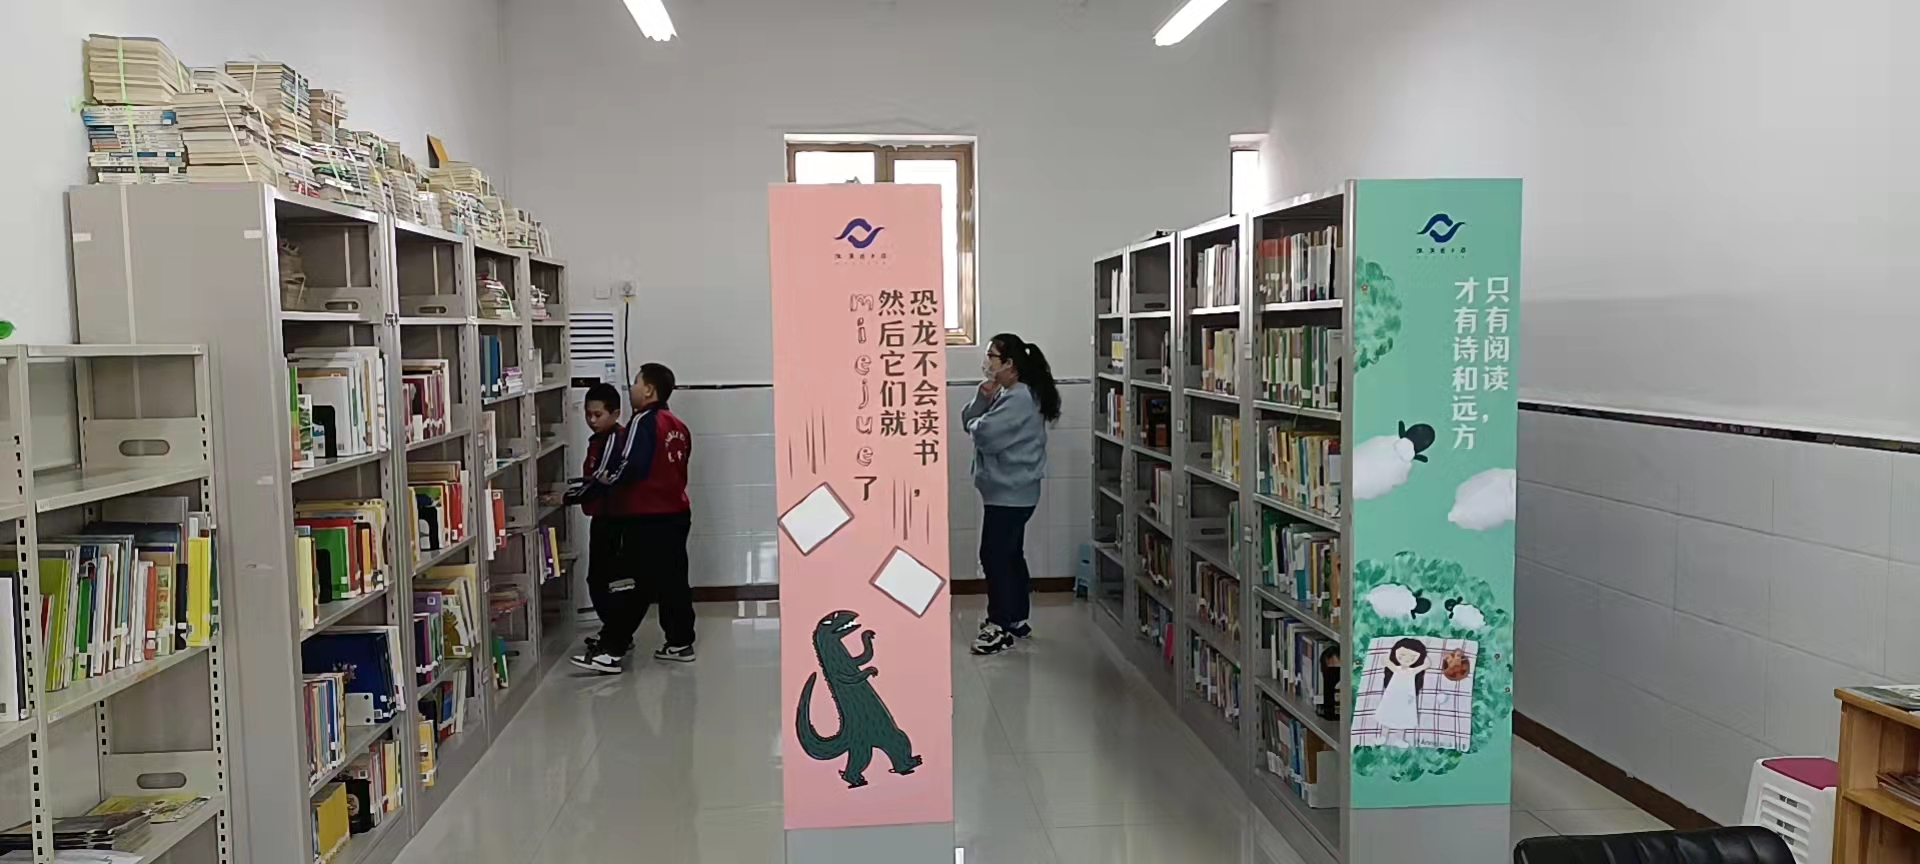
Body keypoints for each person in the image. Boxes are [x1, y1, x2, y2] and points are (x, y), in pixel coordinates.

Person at [964, 333, 1060, 655]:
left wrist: (978, 422)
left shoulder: (1019, 397)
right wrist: (982, 400)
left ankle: (1000, 625)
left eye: (992, 356)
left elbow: (985, 434)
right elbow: (970, 421)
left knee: (994, 556)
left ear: (1010, 364)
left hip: (1010, 491)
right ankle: (1016, 617)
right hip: (1011, 490)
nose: (987, 363)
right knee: (1009, 554)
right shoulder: (1007, 393)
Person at [599, 363, 696, 662]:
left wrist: (604, 482)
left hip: (647, 516)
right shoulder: (678, 425)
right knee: (673, 581)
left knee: (634, 583)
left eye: (636, 382)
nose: (632, 388)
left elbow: (630, 465)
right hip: (677, 512)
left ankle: (611, 649)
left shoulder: (643, 421)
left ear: (649, 390)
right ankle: (680, 642)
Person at [566, 383, 640, 673]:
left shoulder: (614, 440)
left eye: (598, 415)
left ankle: (615, 638)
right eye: (588, 414)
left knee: (606, 581)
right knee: (600, 580)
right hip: (602, 516)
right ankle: (614, 633)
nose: (592, 420)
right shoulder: (598, 439)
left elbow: (600, 481)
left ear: (615, 413)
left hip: (615, 519)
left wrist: (566, 498)